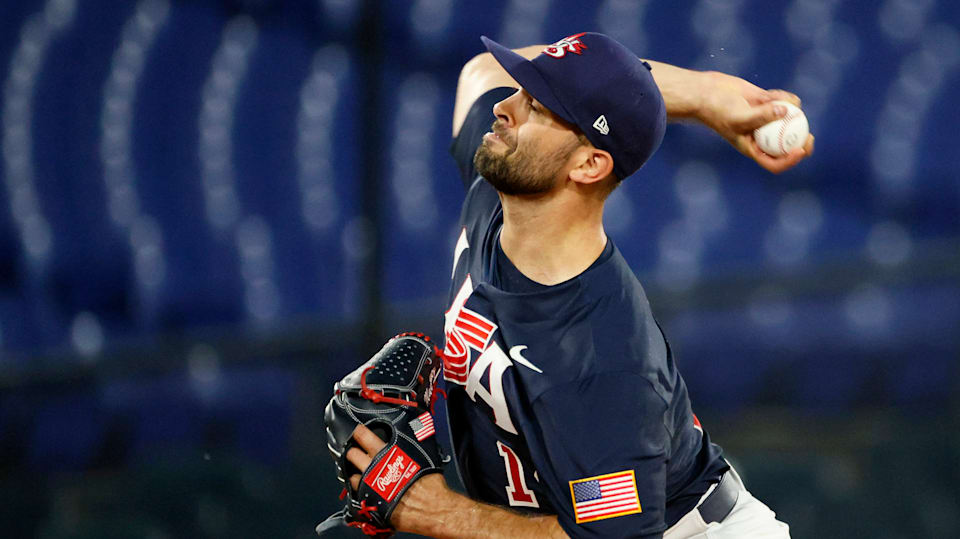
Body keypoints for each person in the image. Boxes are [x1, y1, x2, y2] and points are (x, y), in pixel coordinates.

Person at [343, 32, 813, 538]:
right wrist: (701, 95)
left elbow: (609, 537)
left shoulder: (602, 361)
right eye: (522, 90)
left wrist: (431, 510)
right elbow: (484, 70)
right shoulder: (499, 197)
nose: (504, 107)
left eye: (537, 105)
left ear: (589, 165)